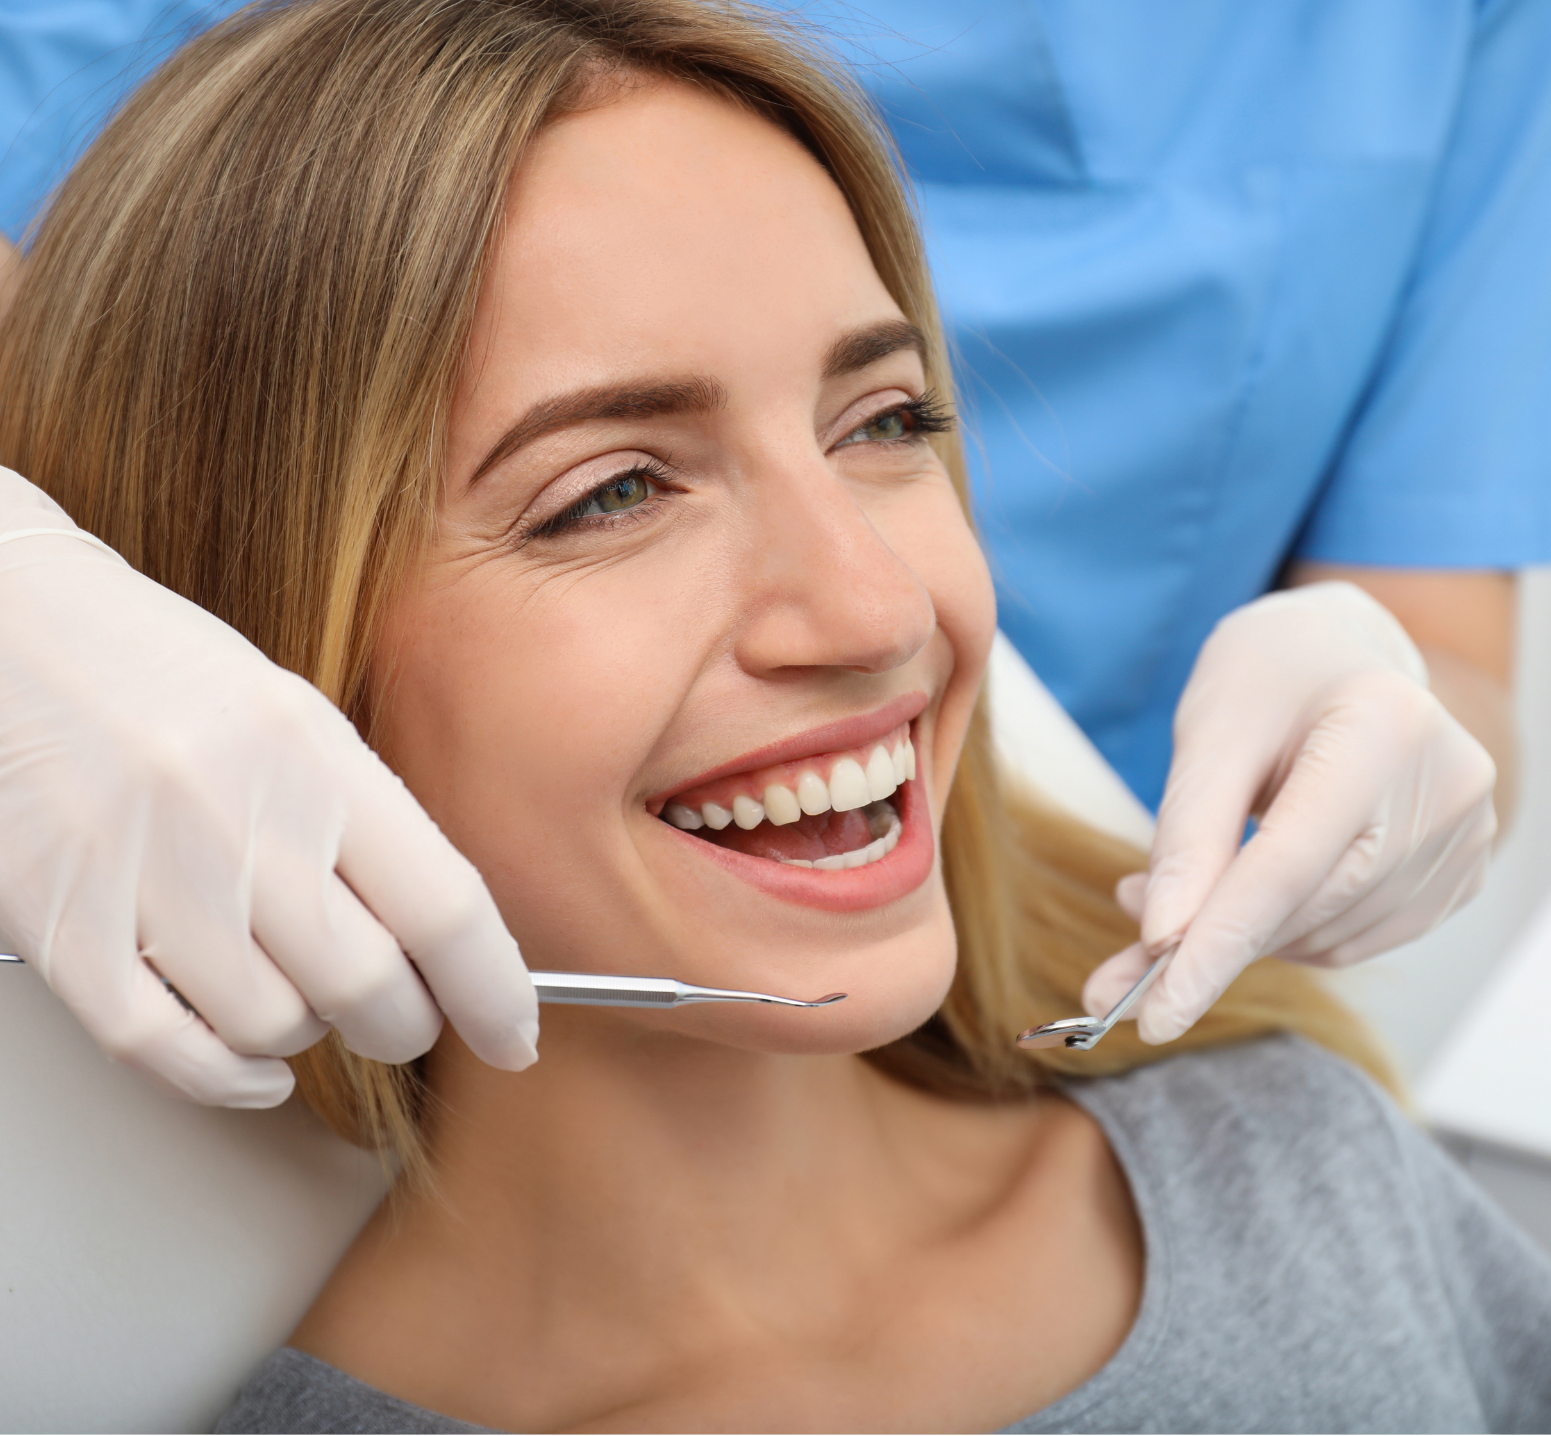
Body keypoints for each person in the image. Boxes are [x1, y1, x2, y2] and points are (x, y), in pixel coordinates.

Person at [6, 3, 1549, 1430]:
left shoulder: (1308, 1174)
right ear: (262, 636)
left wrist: (1399, 690)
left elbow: (1435, 620)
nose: (877, 610)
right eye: (609, 492)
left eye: (886, 422)